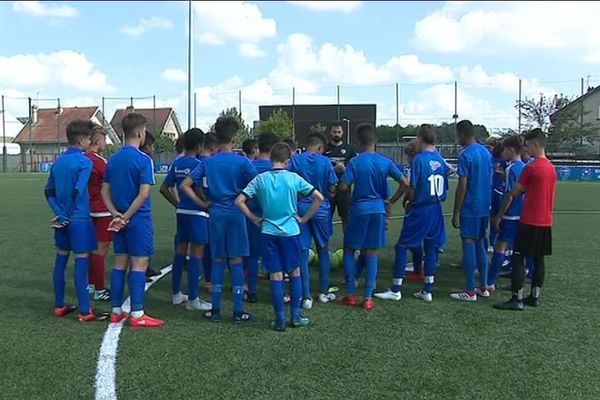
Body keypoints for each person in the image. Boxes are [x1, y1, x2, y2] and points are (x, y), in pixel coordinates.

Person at [236, 143, 324, 331]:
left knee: (275, 274)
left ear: (270, 159)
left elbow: (239, 200)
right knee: (294, 273)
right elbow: (319, 197)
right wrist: (304, 218)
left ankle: (280, 319)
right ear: (288, 161)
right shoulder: (293, 178)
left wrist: (253, 218)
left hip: (268, 231)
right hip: (291, 232)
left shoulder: (261, 179)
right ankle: (295, 316)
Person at [181, 116, 257, 323]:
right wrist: (246, 200)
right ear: (234, 138)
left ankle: (215, 310)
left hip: (215, 214)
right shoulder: (242, 161)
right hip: (236, 213)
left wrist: (203, 203)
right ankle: (238, 310)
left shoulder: (209, 162)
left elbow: (185, 185)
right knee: (236, 260)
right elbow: (257, 185)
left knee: (217, 259)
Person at [101, 113, 163, 328]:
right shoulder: (143, 159)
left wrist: (115, 214)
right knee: (139, 264)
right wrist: (126, 216)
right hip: (138, 220)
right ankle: (137, 313)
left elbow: (104, 190)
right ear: (140, 132)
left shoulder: (113, 159)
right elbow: (143, 194)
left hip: (118, 219)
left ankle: (116, 311)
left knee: (120, 262)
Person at [338, 123, 408, 311]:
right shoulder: (385, 162)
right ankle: (368, 297)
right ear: (375, 141)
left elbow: (344, 187)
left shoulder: (355, 162)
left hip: (359, 210)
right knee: (372, 252)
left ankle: (351, 294)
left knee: (350, 250)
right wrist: (391, 201)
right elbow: (405, 183)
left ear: (359, 143)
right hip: (378, 210)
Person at [375, 125, 449, 302]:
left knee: (402, 246)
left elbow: (412, 186)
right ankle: (427, 289)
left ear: (419, 138)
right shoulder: (440, 159)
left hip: (421, 208)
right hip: (437, 208)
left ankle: (396, 289)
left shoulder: (419, 160)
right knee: (431, 247)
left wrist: (409, 201)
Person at [494, 129, 556, 311]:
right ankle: (535, 296)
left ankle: (517, 298)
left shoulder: (531, 167)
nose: (526, 149)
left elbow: (514, 192)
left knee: (518, 258)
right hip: (545, 221)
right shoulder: (551, 168)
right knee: (538, 260)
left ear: (536, 144)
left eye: (528, 145)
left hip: (529, 220)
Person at [45, 120, 100, 322]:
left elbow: (48, 192)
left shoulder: (57, 162)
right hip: (78, 220)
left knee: (60, 259)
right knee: (81, 261)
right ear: (81, 140)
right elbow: (78, 190)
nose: (90, 142)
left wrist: (60, 214)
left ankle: (59, 305)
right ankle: (85, 311)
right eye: (89, 139)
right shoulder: (85, 161)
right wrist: (68, 215)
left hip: (62, 221)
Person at [160, 128, 212, 311]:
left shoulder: (177, 163)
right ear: (200, 146)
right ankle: (193, 300)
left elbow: (164, 188)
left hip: (182, 213)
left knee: (180, 254)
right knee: (197, 255)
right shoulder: (200, 164)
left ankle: (176, 294)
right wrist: (204, 203)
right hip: (197, 214)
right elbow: (198, 188)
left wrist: (178, 204)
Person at [288, 132, 338, 307]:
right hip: (321, 209)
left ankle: (306, 296)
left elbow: (288, 184)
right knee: (323, 249)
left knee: (302, 251)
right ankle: (323, 292)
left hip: (300, 208)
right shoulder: (325, 162)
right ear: (320, 148)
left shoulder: (295, 160)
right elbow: (332, 188)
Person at [450, 120, 493, 302]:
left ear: (462, 135)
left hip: (471, 206)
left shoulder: (466, 155)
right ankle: (483, 286)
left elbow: (462, 185)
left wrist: (456, 212)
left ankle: (469, 290)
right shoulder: (485, 152)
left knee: (468, 243)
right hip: (485, 205)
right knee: (480, 243)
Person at [488, 136, 525, 291]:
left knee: (500, 246)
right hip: (522, 213)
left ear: (511, 149)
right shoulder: (524, 166)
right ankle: (518, 283)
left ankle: (489, 282)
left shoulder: (511, 168)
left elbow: (509, 195)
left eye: (504, 149)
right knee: (518, 249)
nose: (502, 153)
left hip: (510, 214)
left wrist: (499, 215)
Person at [244, 131, 278, 303]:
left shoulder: (249, 165)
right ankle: (276, 293)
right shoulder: (278, 169)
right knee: (273, 255)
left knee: (252, 255)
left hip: (252, 217)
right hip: (273, 218)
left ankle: (251, 290)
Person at [85, 124, 112, 301]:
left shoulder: (82, 158)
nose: (105, 143)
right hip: (102, 209)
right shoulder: (99, 161)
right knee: (101, 249)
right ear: (97, 140)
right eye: (104, 139)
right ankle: (100, 289)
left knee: (90, 249)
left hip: (87, 209)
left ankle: (91, 285)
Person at [324, 122, 357, 230]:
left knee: (346, 218)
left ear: (342, 133)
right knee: (326, 218)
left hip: (344, 189)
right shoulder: (324, 148)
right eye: (334, 132)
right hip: (328, 189)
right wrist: (333, 169)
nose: (336, 134)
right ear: (330, 132)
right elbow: (320, 167)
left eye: (339, 132)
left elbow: (354, 168)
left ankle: (348, 246)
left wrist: (345, 169)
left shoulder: (349, 149)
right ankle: (324, 246)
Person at [139, 131, 160, 279]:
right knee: (143, 240)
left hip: (122, 208)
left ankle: (146, 267)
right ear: (146, 146)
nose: (153, 150)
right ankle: (142, 270)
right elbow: (144, 192)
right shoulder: (145, 160)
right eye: (152, 146)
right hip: (140, 209)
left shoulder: (116, 157)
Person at [197, 133, 217, 292]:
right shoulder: (209, 163)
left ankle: (208, 278)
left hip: (201, 209)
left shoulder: (199, 162)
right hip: (212, 209)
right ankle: (211, 279)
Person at [489, 143, 506, 252]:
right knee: (492, 219)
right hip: (491, 191)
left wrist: (501, 172)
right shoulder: (490, 159)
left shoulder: (504, 162)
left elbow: (506, 176)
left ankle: (501, 242)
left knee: (499, 218)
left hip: (499, 192)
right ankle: (491, 242)